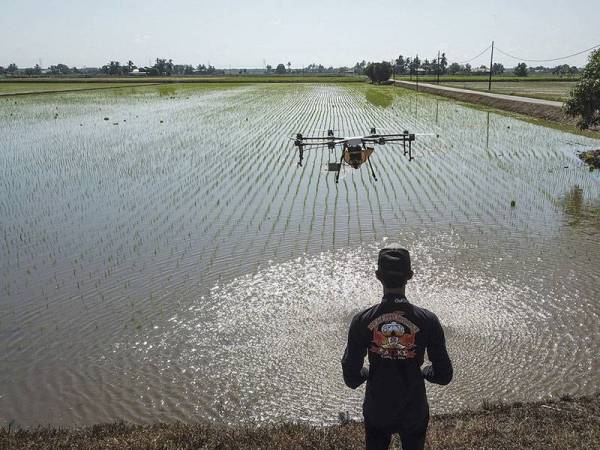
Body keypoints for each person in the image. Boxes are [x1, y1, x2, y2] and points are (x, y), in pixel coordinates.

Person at [341, 246, 453, 450]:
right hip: (414, 409)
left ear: (378, 276)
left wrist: (367, 373)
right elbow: (444, 375)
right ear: (410, 276)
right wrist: (423, 371)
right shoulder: (428, 320)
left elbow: (351, 376)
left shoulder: (362, 320)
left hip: (377, 408)